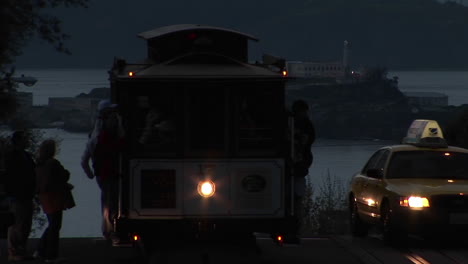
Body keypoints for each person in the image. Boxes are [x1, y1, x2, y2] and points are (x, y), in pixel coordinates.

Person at [81, 99, 124, 242]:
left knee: (106, 202)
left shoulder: (94, 136)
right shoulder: (106, 136)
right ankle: (110, 231)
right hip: (109, 173)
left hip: (101, 174)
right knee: (110, 203)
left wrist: (90, 173)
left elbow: (84, 159)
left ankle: (108, 230)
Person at [34, 139, 74, 263]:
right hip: (54, 197)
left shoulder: (39, 163)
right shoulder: (53, 163)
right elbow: (64, 175)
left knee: (52, 224)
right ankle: (50, 255)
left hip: (44, 197)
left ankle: (41, 250)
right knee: (55, 225)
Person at [4, 131, 36, 261]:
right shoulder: (12, 156)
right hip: (18, 194)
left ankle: (22, 249)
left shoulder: (27, 156)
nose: (27, 141)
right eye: (24, 139)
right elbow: (11, 176)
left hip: (28, 194)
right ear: (18, 141)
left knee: (25, 224)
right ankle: (13, 251)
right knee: (17, 223)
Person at [289, 100, 316, 243]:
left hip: (299, 168)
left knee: (297, 200)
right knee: (296, 200)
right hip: (297, 168)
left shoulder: (305, 126)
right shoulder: (306, 126)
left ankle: (294, 229)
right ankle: (293, 229)